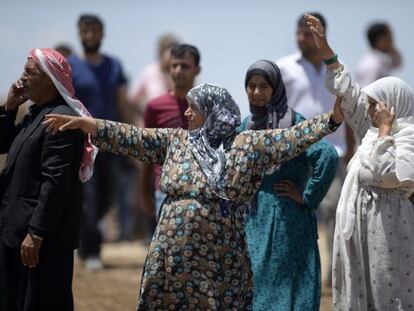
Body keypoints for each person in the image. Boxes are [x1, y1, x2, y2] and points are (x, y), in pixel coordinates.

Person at [44, 83, 343, 309]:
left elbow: (291, 138)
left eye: (193, 108)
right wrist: (89, 124)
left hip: (221, 258)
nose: (185, 113)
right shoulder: (177, 140)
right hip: (172, 256)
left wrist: (331, 119)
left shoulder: (247, 144)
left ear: (213, 110)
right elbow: (133, 137)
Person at [306, 14, 414, 310]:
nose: (369, 109)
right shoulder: (371, 130)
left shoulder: (407, 135)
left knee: (386, 293)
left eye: (376, 103)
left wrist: (386, 133)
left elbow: (389, 176)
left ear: (393, 103)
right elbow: (349, 93)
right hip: (358, 230)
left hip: (387, 232)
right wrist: (327, 51)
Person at [239, 59, 338, 310]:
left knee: (288, 285)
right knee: (256, 283)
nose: (257, 92)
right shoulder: (245, 125)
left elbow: (326, 155)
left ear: (276, 88)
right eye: (251, 86)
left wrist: (306, 195)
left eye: (264, 86)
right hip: (254, 218)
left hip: (287, 218)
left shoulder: (292, 121)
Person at [0, 48, 94, 311]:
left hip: (42, 241)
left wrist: (37, 233)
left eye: (30, 73)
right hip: (16, 231)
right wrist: (9, 108)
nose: (22, 78)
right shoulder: (34, 114)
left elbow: (56, 182)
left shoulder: (59, 119)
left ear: (51, 78)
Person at [277, 12, 355, 286]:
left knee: (335, 210)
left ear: (322, 33)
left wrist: (351, 150)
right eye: (299, 32)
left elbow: (348, 108)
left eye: (308, 32)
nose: (302, 38)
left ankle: (331, 275)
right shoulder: (282, 68)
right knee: (295, 210)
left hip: (333, 153)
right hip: (295, 153)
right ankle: (295, 273)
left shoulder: (337, 68)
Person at [68, 14, 129, 269]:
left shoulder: (114, 66)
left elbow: (122, 104)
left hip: (112, 142)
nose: (90, 36)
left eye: (94, 31)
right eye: (85, 31)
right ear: (80, 33)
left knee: (109, 196)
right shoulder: (70, 65)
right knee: (89, 198)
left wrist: (129, 137)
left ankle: (85, 241)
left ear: (102, 34)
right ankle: (92, 251)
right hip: (83, 143)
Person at [139, 44, 201, 219]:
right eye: (174, 66)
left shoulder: (206, 105)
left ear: (197, 70)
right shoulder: (155, 107)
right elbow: (147, 150)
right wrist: (144, 191)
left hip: (199, 192)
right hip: (165, 190)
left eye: (185, 66)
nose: (178, 71)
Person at [128, 33, 180, 128]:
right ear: (160, 53)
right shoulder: (149, 72)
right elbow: (131, 101)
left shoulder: (181, 75)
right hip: (148, 130)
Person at [356, 22, 402, 87]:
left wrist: (390, 48)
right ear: (380, 39)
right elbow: (366, 93)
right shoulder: (372, 64)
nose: (391, 41)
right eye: (389, 37)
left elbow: (398, 63)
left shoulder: (380, 59)